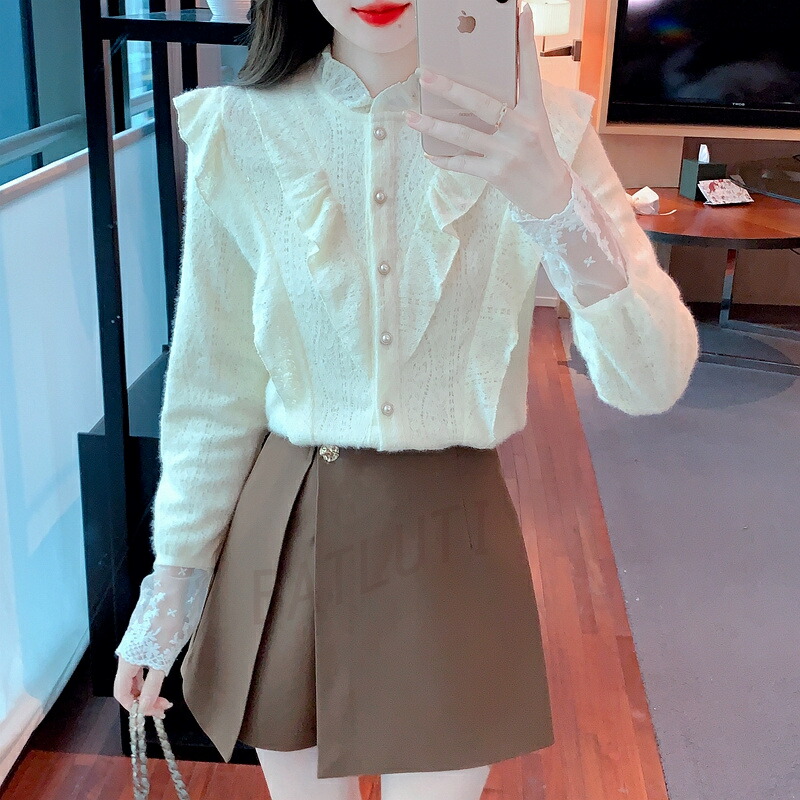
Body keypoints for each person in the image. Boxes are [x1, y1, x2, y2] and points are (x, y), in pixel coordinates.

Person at [112, 1, 700, 798]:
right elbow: (214, 384)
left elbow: (653, 377)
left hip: (453, 531)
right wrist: (172, 586)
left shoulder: (543, 132)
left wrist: (553, 198)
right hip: (287, 528)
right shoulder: (242, 129)